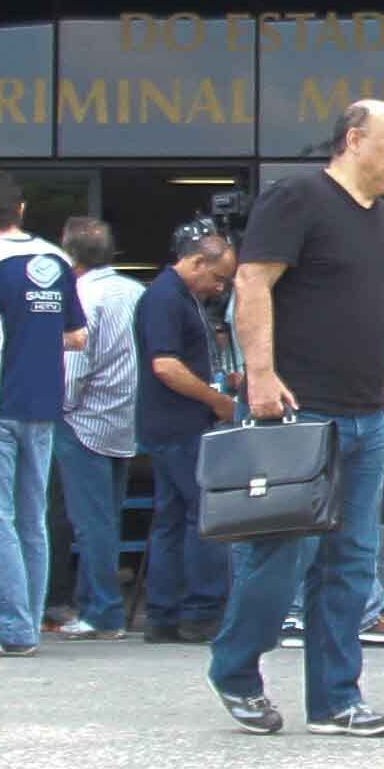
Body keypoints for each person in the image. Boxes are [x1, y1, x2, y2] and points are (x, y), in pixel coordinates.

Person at [210, 99, 384, 738]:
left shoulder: (383, 220)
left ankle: (334, 702)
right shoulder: (298, 196)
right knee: (280, 555)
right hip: (298, 414)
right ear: (354, 140)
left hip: (363, 416)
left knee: (352, 563)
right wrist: (263, 375)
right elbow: (252, 283)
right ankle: (236, 671)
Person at [0, 175, 79, 655]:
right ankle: (28, 618)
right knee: (33, 519)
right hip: (44, 398)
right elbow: (76, 337)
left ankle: (13, 628)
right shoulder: (57, 259)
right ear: (22, 209)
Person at [130, 220, 237, 642]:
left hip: (167, 421)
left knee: (172, 519)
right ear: (196, 262)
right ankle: (201, 609)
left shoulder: (176, 297)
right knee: (203, 517)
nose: (219, 288)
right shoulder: (165, 299)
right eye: (217, 277)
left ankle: (165, 613)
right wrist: (217, 402)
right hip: (180, 423)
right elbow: (166, 365)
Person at [57, 216, 146, 635]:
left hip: (83, 420)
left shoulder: (80, 295)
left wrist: (62, 406)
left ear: (69, 253)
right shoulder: (136, 293)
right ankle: (97, 602)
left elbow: (73, 367)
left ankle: (101, 611)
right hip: (124, 419)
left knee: (90, 522)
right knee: (106, 516)